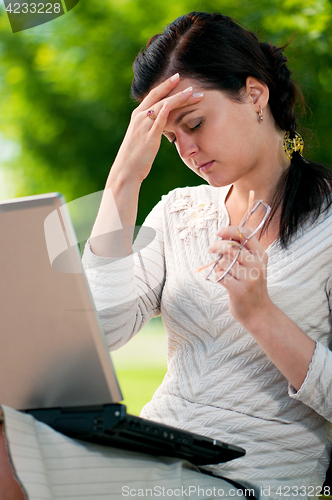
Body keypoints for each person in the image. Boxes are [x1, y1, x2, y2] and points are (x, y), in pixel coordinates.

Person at [1, 11, 332, 500]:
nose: (187, 150)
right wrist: (122, 182)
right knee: (9, 431)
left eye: (195, 124)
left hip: (252, 478)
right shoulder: (181, 211)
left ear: (255, 95)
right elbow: (107, 328)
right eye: (172, 137)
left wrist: (259, 313)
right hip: (158, 452)